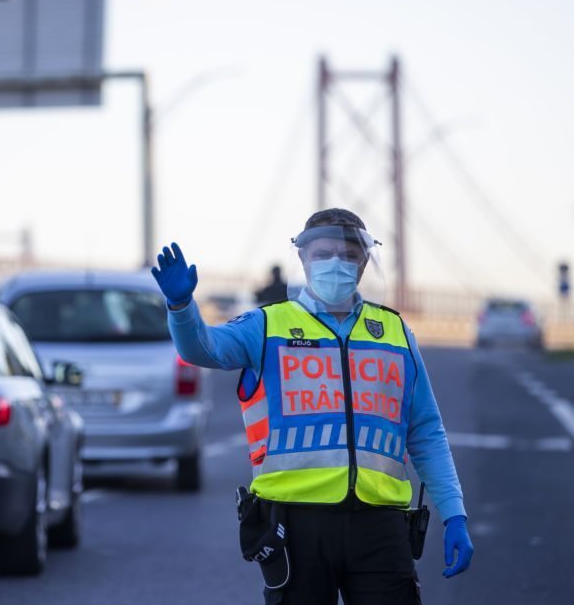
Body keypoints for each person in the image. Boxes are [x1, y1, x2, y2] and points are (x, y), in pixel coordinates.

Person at [151, 208, 473, 605]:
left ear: (364, 262)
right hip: (294, 525)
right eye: (322, 254)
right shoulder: (266, 325)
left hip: (380, 526)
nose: (335, 263)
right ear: (302, 259)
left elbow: (425, 431)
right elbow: (203, 348)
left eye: (348, 255)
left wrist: (454, 513)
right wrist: (182, 308)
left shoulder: (395, 332)